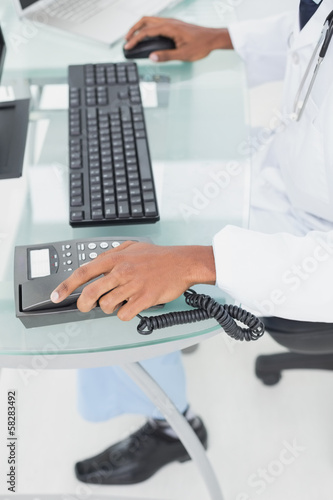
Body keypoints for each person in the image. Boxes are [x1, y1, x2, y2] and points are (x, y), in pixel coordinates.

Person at [52, 0, 333, 485]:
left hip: (307, 248)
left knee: (118, 270)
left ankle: (171, 428)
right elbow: (312, 24)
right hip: (284, 175)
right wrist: (219, 36)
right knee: (127, 197)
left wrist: (199, 262)